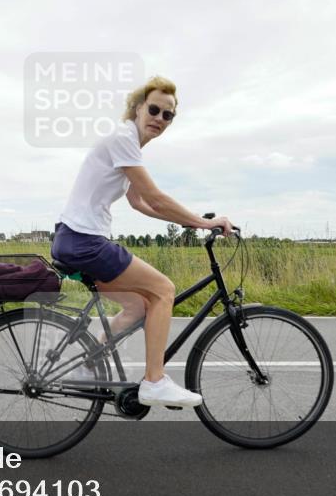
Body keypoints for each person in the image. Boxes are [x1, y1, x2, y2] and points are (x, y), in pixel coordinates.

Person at [51, 76, 234, 408]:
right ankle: (154, 382)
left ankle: (88, 368)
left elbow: (141, 203)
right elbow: (155, 197)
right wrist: (204, 222)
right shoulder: (124, 138)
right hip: (84, 240)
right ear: (136, 108)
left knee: (138, 306)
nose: (159, 119)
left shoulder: (129, 147)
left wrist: (187, 224)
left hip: (74, 239)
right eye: (154, 109)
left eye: (168, 115)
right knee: (164, 290)